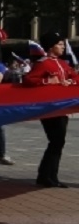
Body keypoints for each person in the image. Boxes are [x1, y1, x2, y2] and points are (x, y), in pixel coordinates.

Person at [23, 31, 77, 187]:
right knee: (56, 141)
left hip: (62, 108)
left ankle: (49, 176)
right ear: (51, 47)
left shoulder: (63, 63)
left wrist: (69, 82)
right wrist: (48, 80)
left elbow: (75, 77)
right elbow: (28, 80)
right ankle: (47, 176)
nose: (63, 47)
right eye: (60, 44)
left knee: (58, 142)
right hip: (49, 108)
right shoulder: (43, 63)